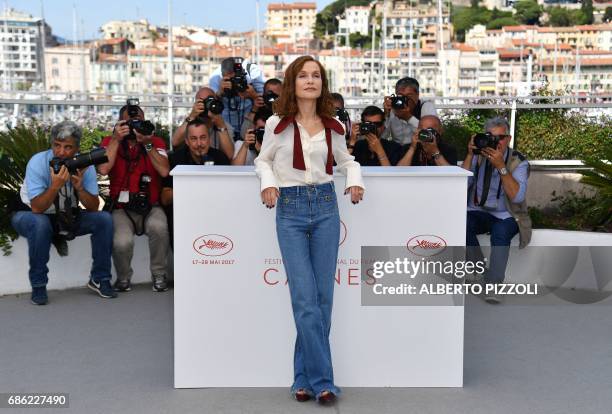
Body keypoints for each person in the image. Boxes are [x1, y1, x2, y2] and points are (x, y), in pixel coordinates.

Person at [254, 55, 364, 405]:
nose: (310, 81)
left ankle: (302, 379)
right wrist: (268, 184)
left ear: (322, 83)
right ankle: (324, 381)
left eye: (316, 75)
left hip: (327, 207)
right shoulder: (277, 123)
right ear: (292, 82)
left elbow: (346, 160)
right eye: (303, 75)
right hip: (290, 209)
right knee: (305, 301)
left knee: (322, 301)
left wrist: (355, 181)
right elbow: (263, 160)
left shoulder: (334, 125)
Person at [12, 121, 115, 304]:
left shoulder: (84, 166)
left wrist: (80, 188)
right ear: (51, 144)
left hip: (65, 216)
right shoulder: (38, 162)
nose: (61, 152)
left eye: (68, 147)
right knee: (40, 223)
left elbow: (92, 207)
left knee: (104, 219)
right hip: (28, 214)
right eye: (57, 146)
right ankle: (38, 285)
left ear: (76, 149)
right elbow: (37, 208)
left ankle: (100, 278)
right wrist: (55, 186)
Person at [98, 102, 171, 293]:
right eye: (129, 122)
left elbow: (164, 171)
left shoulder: (155, 142)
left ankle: (159, 275)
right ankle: (123, 278)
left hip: (151, 205)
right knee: (122, 242)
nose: (134, 126)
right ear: (121, 123)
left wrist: (146, 143)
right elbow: (103, 169)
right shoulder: (109, 142)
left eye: (138, 121)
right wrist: (115, 139)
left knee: (159, 228)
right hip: (122, 208)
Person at [462, 116, 532, 304]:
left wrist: (501, 166)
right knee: (459, 222)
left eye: (500, 138)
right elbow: (461, 186)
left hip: (507, 215)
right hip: (477, 211)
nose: (495, 142)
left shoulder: (519, 161)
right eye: (490, 137)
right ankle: (481, 272)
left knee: (501, 233)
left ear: (508, 139)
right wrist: (469, 155)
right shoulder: (477, 156)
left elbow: (517, 197)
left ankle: (493, 285)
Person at [161, 119, 230, 247]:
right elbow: (165, 198)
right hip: (184, 218)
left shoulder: (220, 158)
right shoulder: (176, 159)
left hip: (216, 217)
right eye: (193, 139)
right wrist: (191, 188)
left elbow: (229, 195)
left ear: (209, 138)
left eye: (203, 138)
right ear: (186, 141)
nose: (199, 143)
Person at [209, 57, 265, 141]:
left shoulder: (253, 72)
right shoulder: (215, 77)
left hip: (249, 127)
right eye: (230, 80)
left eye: (235, 79)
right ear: (223, 75)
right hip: (227, 129)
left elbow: (265, 103)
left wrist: (253, 95)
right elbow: (211, 106)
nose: (234, 83)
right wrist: (220, 92)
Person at [170, 87, 235, 160]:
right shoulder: (191, 123)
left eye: (210, 100)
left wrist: (221, 126)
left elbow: (229, 156)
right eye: (202, 101)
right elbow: (175, 142)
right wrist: (192, 115)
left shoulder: (222, 124)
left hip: (215, 166)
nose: (207, 105)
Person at [382, 77, 438, 145]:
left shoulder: (426, 106)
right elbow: (383, 137)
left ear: (417, 95)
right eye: (401, 96)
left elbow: (430, 136)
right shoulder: (393, 108)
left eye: (409, 95)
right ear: (396, 95)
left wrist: (408, 117)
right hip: (397, 151)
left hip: (420, 149)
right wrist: (386, 116)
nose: (405, 99)